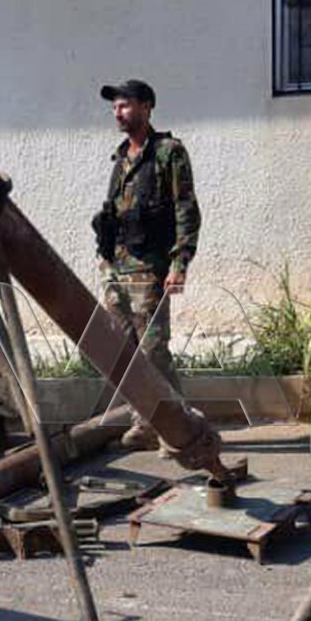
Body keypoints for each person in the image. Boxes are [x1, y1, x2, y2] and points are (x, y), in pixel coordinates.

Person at [91, 80, 201, 450]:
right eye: (115, 107)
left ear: (147, 107)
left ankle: (180, 425)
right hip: (116, 266)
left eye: (124, 105)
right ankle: (145, 421)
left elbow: (186, 208)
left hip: (150, 266)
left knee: (152, 349)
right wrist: (103, 258)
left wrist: (179, 262)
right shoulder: (121, 156)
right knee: (125, 348)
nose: (117, 113)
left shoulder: (169, 152)